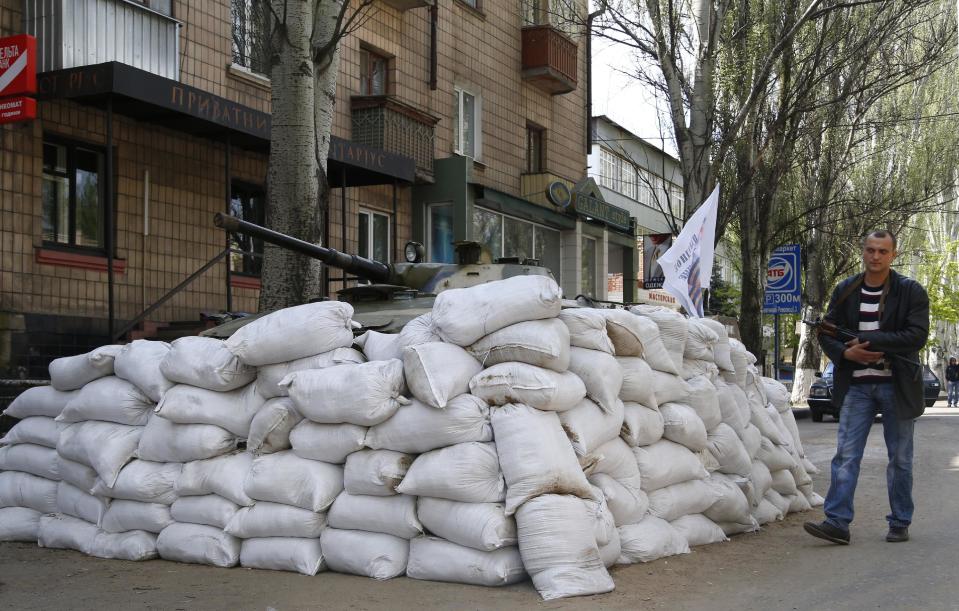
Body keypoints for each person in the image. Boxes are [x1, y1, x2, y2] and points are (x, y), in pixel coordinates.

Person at [804, 230, 929, 545]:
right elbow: (826, 332)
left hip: (896, 385)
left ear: (893, 255)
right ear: (863, 252)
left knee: (900, 458)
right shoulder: (846, 290)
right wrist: (846, 353)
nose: (875, 257)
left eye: (882, 252)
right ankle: (837, 522)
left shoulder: (911, 291)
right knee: (846, 456)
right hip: (857, 386)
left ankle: (899, 521)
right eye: (870, 250)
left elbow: (916, 336)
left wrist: (871, 340)